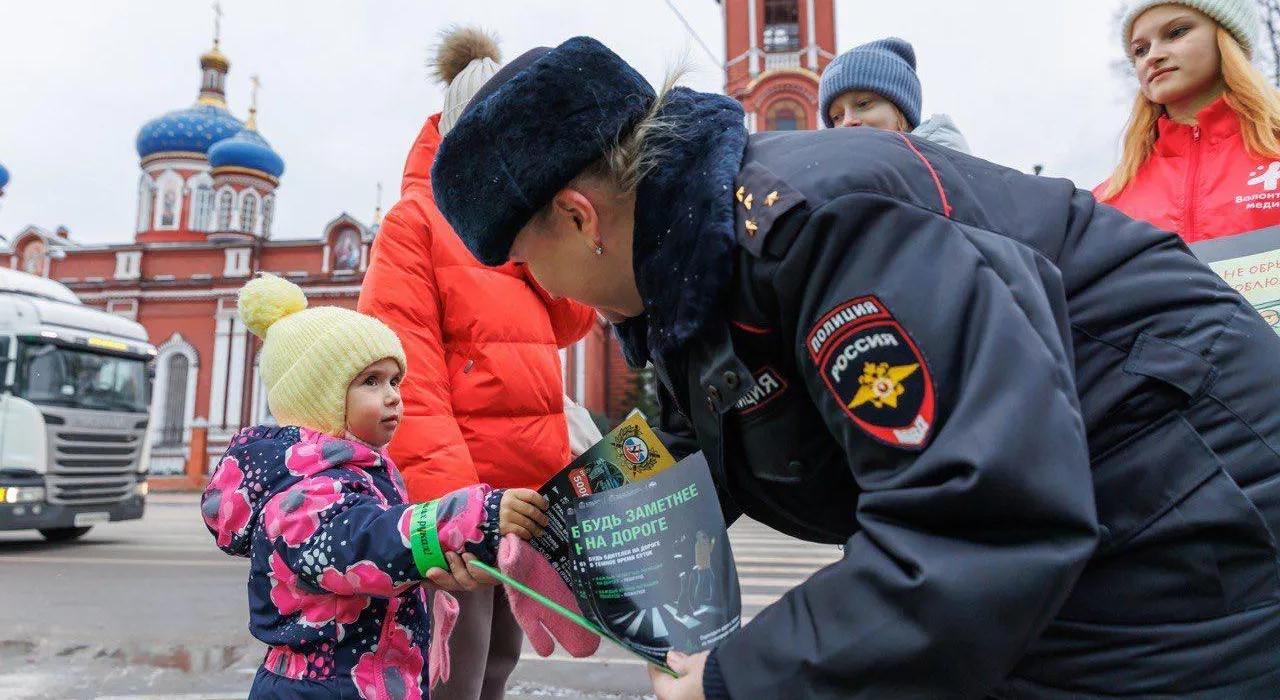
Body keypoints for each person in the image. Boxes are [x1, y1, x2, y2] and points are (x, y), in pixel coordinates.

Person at [430, 36, 1280, 698]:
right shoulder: (696, 260)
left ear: (580, 219)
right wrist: (584, 535)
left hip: (1187, 501)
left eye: (523, 261)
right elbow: (702, 440)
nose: (540, 291)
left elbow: (979, 511)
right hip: (1100, 510)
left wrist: (738, 682)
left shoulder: (816, 226)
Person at [357, 26, 597, 700]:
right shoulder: (417, 223)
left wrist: (549, 230)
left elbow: (572, 319)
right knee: (451, 673)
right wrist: (454, 515)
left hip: (519, 501)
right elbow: (410, 378)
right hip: (463, 506)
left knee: (498, 661)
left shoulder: (507, 226)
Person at [199, 273, 552, 700]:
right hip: (322, 687)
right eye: (371, 381)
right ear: (318, 396)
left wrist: (434, 571)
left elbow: (377, 570)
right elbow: (366, 542)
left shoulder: (364, 473)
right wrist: (475, 516)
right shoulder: (302, 494)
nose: (393, 396)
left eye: (394, 381)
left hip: (369, 681)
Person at [1097, 0, 1280, 242]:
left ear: (1227, 39)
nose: (1153, 56)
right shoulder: (1104, 203)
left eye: (1176, 32)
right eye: (1140, 50)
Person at [819, 37, 971, 153]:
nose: (847, 121)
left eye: (863, 104)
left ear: (902, 110)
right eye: (836, 117)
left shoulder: (941, 173)